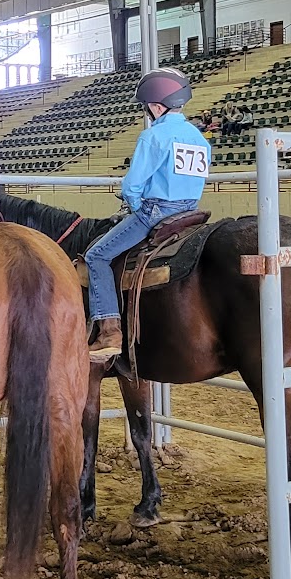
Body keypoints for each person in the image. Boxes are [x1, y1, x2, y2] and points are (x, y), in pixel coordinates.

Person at [83, 69, 211, 366]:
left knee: (97, 256)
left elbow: (132, 186)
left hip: (157, 212)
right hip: (190, 211)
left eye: (147, 107)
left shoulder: (154, 136)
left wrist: (135, 203)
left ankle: (110, 331)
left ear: (155, 106)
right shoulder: (199, 138)